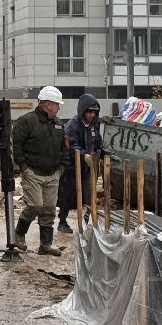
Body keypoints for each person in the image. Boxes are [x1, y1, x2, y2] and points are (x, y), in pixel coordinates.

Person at [11, 85, 67, 255]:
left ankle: (46, 244)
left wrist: (61, 168)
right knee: (35, 206)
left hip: (52, 174)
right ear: (48, 104)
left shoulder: (58, 124)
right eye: (57, 104)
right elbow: (17, 146)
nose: (58, 108)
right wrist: (24, 168)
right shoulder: (27, 121)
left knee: (49, 209)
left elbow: (64, 149)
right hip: (33, 172)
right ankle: (19, 234)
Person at [57, 93, 102, 234]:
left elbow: (98, 143)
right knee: (67, 194)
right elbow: (72, 145)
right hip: (72, 166)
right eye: (89, 112)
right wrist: (84, 155)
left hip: (88, 167)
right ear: (83, 111)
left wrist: (104, 153)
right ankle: (62, 221)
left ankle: (88, 220)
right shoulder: (72, 125)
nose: (91, 115)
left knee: (89, 193)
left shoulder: (94, 125)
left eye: (94, 112)